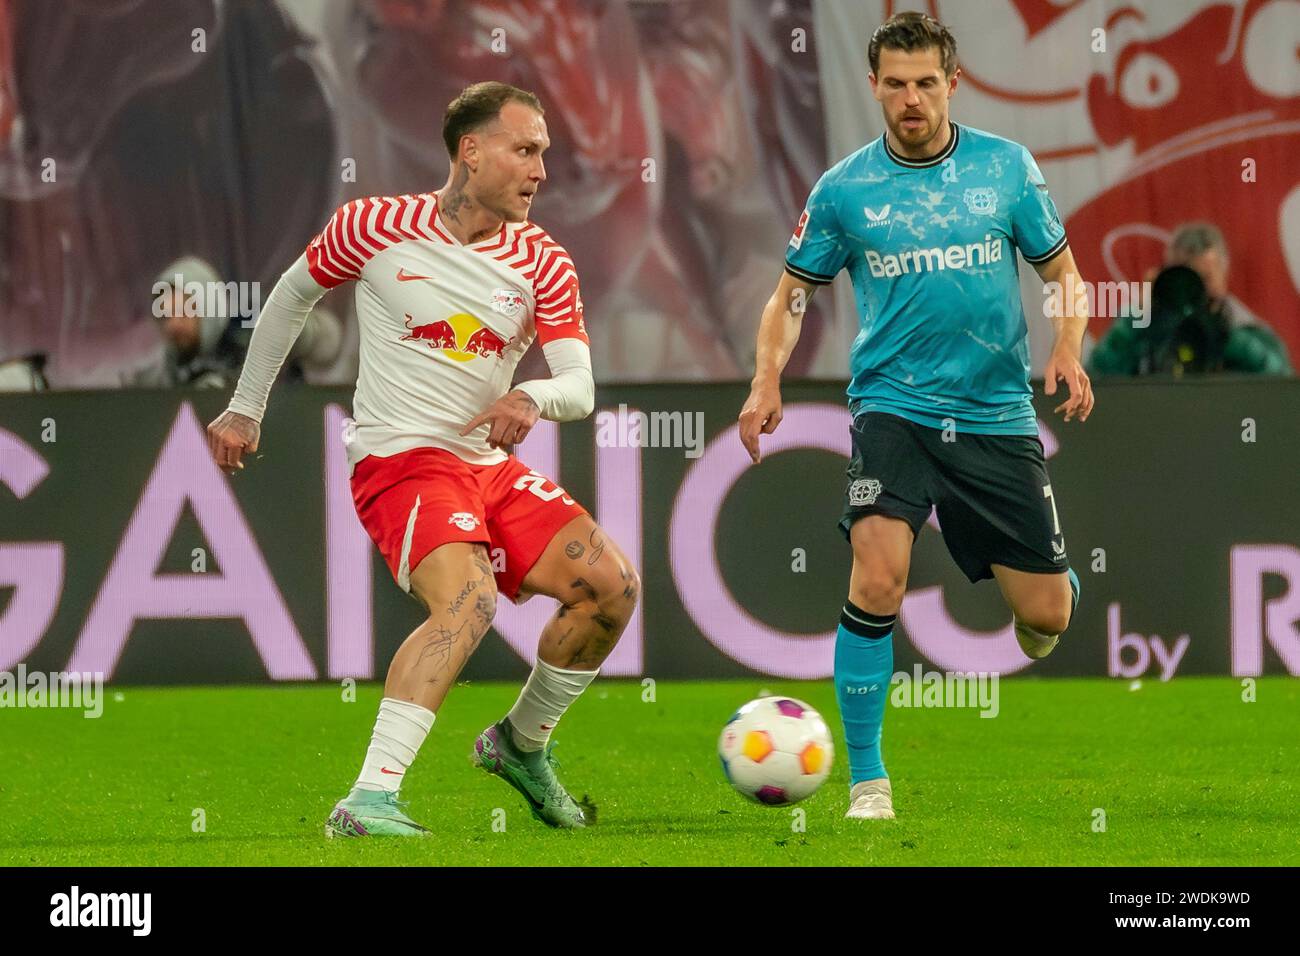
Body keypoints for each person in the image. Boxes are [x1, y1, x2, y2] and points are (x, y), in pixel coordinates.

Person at [206, 81, 640, 837]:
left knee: (611, 588)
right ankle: (369, 799)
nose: (541, 169)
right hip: (401, 461)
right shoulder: (374, 226)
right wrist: (246, 406)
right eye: (525, 149)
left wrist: (531, 397)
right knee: (468, 601)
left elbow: (579, 383)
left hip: (486, 465)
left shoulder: (543, 260)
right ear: (471, 152)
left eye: (545, 153)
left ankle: (520, 744)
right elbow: (291, 295)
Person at [738, 12, 1092, 822]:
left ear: (952, 83)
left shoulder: (1007, 169)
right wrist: (766, 380)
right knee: (878, 575)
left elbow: (1065, 275)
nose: (910, 99)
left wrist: (1069, 345)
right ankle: (868, 781)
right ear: (873, 87)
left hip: (996, 413)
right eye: (894, 84)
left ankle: (1051, 581)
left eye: (925, 83)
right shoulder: (844, 190)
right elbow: (791, 295)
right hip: (891, 410)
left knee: (1045, 619)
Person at [1088, 223, 1292, 375]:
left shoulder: (1247, 333)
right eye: (1187, 278)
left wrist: (1226, 338)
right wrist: (1140, 315)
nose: (1197, 290)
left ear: (1224, 276)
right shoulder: (1144, 339)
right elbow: (1097, 378)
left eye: (1205, 278)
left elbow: (1281, 387)